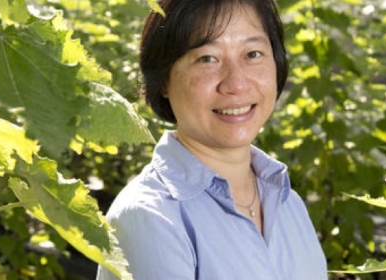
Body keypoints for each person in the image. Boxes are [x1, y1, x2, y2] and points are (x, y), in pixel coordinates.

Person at [95, 0, 328, 279]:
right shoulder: (150, 217)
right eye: (208, 58)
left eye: (253, 54)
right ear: (164, 79)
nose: (237, 83)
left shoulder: (288, 202)